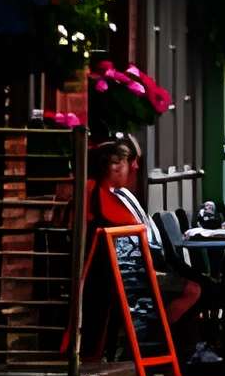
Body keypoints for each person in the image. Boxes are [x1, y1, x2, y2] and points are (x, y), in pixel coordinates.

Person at [86, 136, 204, 347]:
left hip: (128, 271)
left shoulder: (112, 195)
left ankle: (167, 344)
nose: (132, 169)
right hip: (128, 277)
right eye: (125, 163)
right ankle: (158, 340)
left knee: (197, 284)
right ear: (112, 167)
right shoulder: (102, 196)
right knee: (193, 289)